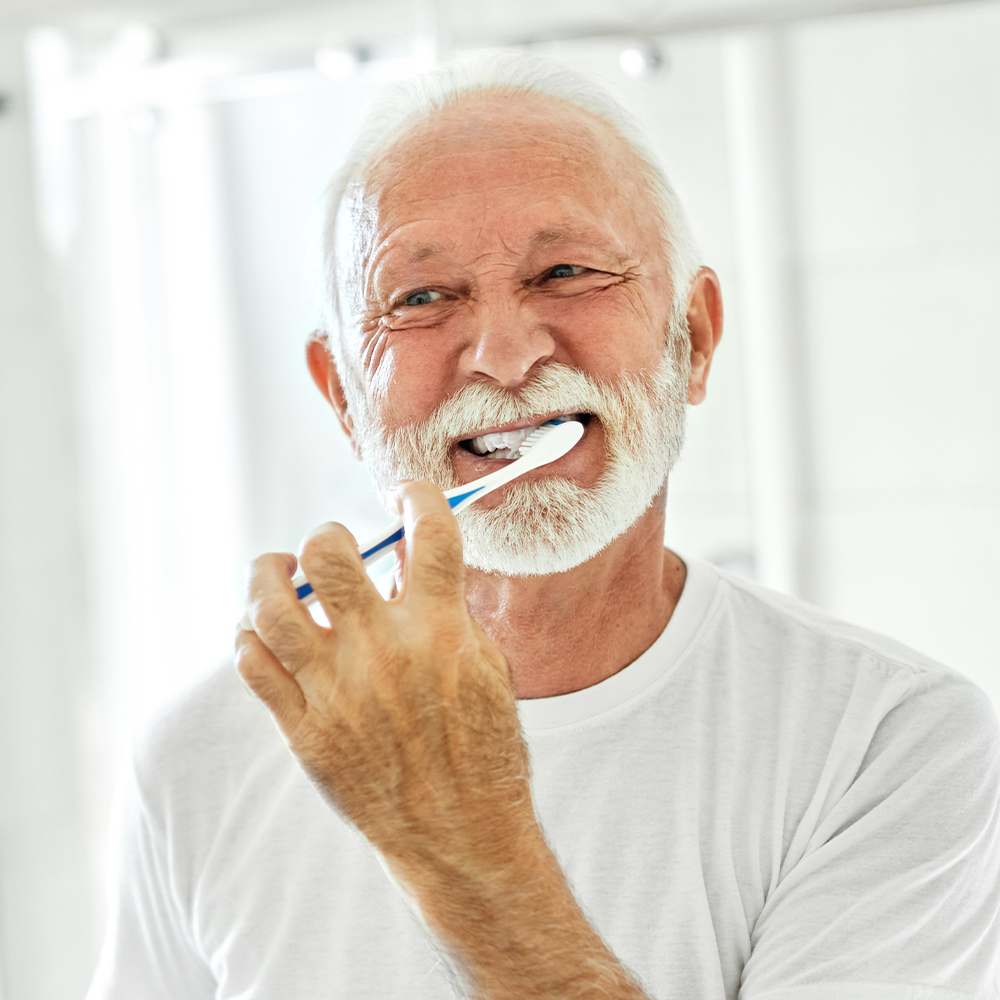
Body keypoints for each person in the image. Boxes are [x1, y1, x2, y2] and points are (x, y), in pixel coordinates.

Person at [87, 54, 1000, 1000]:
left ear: (694, 339)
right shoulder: (197, 757)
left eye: (566, 272)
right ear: (342, 397)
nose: (506, 356)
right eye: (422, 298)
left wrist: (455, 840)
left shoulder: (887, 742)